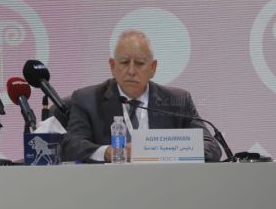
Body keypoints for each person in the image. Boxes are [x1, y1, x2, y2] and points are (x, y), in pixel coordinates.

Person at [61, 30, 222, 163]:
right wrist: (110, 152)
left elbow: (212, 148)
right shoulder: (87, 100)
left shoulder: (177, 101)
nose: (131, 71)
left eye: (139, 63)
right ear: (113, 66)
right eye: (124, 62)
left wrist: (161, 151)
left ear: (152, 68)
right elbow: (70, 146)